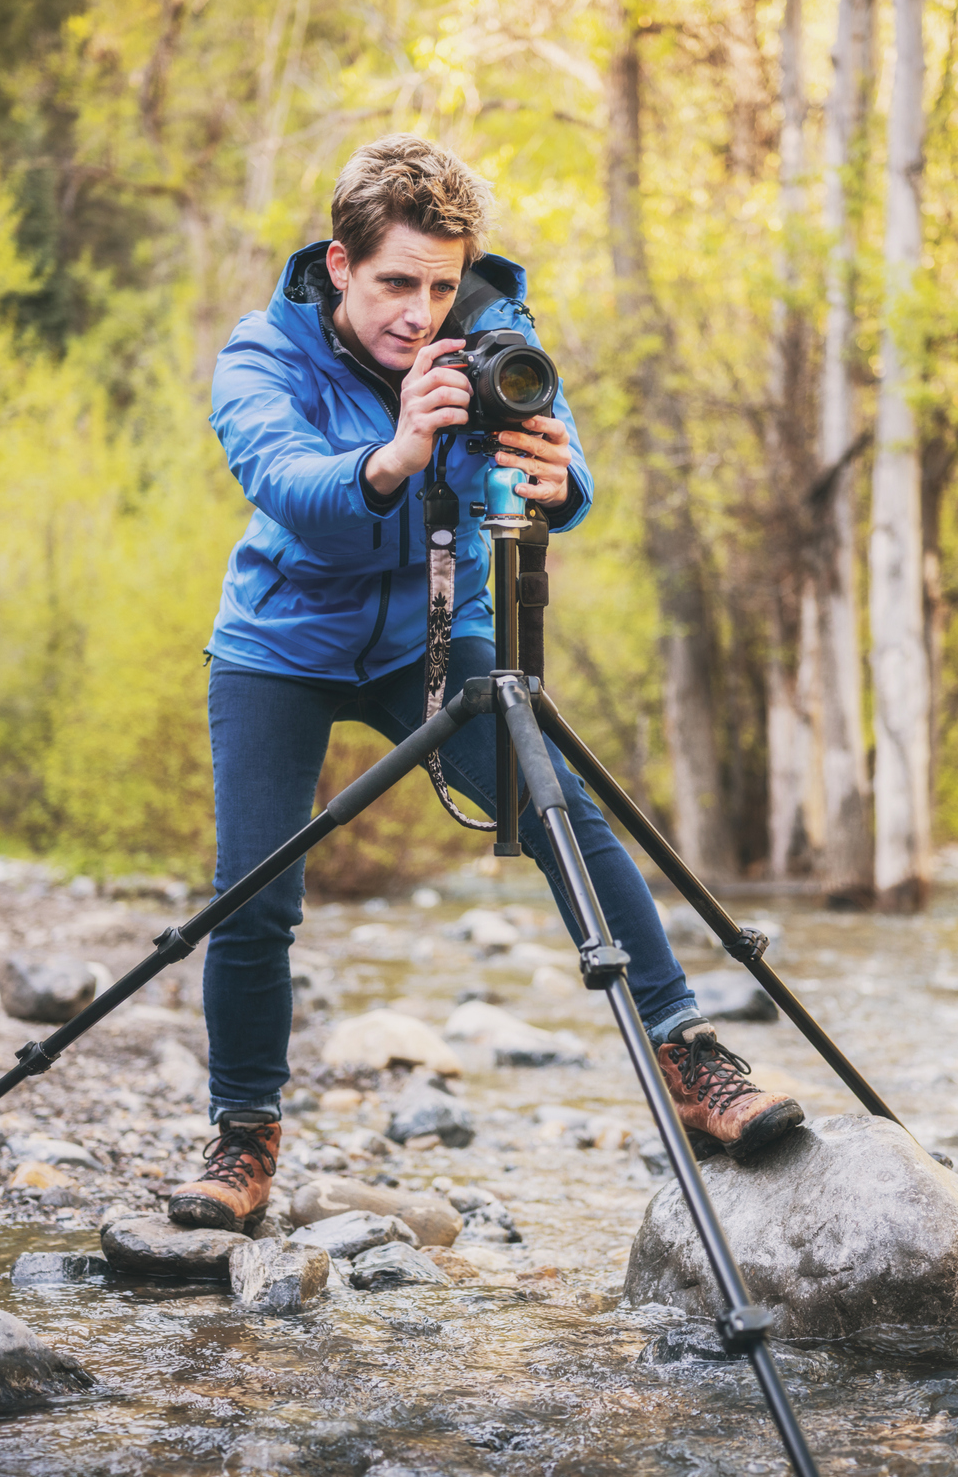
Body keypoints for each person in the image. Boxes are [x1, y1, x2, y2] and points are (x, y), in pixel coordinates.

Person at [167, 135, 803, 1232]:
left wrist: (560, 486)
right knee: (253, 894)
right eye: (396, 284)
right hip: (281, 644)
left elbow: (548, 455)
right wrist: (396, 452)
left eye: (442, 285)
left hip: (433, 635)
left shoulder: (487, 333)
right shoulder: (262, 351)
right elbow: (282, 481)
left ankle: (690, 1059)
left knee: (566, 812)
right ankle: (243, 1138)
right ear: (338, 265)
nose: (421, 313)